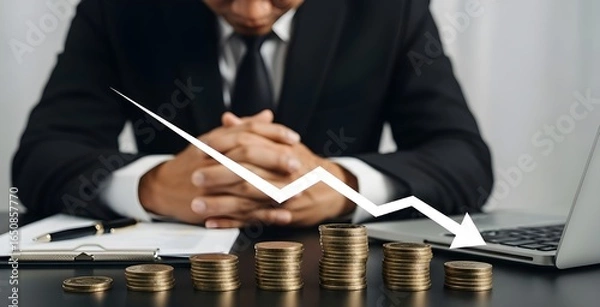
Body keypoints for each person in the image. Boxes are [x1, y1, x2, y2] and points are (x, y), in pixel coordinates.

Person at [12, 0, 494, 228]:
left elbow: (464, 162)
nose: (252, 9)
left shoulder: (391, 9)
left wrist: (344, 186)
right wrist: (152, 186)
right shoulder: (119, 9)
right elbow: (40, 158)